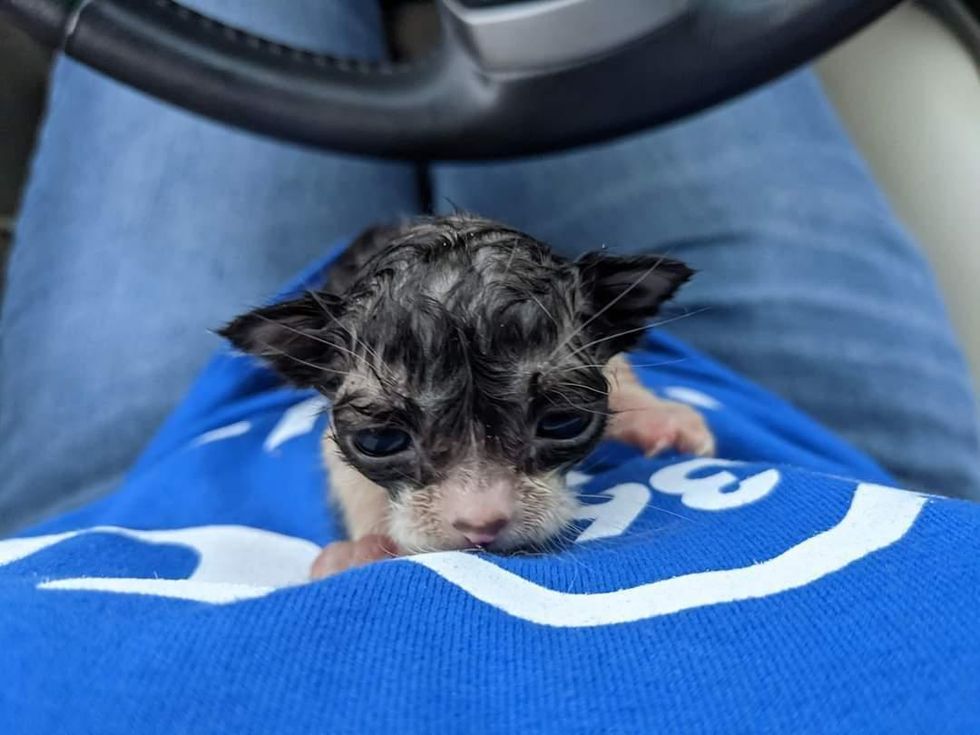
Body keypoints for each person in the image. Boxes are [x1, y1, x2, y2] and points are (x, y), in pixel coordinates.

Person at [0, 1, 977, 531]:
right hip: (871, 483)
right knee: (592, 31)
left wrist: (374, 533)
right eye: (387, 437)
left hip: (115, 501)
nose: (477, 511)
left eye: (557, 421)